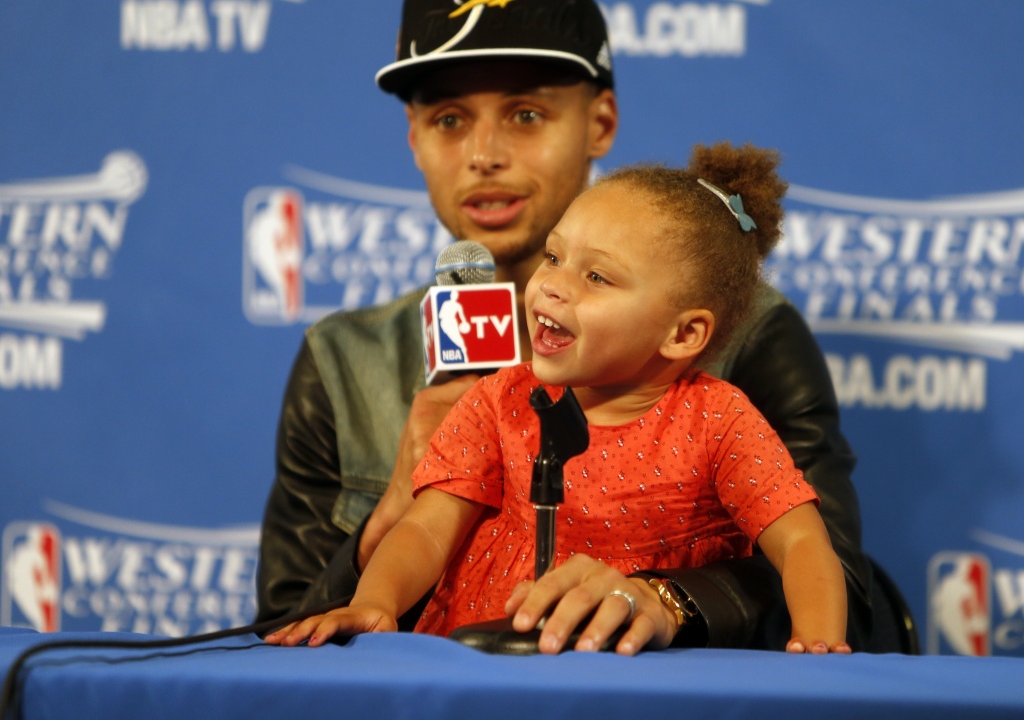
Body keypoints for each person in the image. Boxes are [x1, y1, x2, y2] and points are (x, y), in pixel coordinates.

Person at [256, 0, 876, 652]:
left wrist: (668, 599)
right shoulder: (344, 358)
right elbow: (282, 636)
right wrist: (382, 534)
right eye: (451, 120)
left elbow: (845, 586)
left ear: (600, 122)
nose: (484, 153)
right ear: (416, 140)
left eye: (525, 114)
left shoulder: (751, 337)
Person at [265, 147, 851, 655]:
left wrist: (817, 652)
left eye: (597, 278)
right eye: (554, 256)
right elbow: (426, 528)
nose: (552, 283)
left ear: (682, 334)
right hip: (480, 676)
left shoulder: (720, 421)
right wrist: (376, 603)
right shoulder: (498, 399)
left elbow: (802, 540)